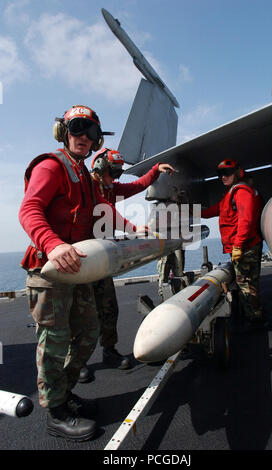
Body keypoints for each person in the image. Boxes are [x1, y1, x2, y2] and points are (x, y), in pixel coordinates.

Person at [18, 105, 140, 441]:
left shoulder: (85, 175)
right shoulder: (51, 166)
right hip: (51, 271)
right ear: (64, 131)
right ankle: (55, 413)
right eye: (77, 128)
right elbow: (29, 209)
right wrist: (54, 244)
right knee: (54, 342)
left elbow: (104, 212)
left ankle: (64, 393)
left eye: (91, 132)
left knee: (88, 332)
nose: (84, 137)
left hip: (79, 270)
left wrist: (135, 230)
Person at [78, 148, 176, 380]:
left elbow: (137, 186)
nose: (116, 178)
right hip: (82, 257)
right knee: (81, 314)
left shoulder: (111, 187)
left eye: (118, 173)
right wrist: (132, 228)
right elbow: (105, 207)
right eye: (113, 172)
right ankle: (78, 362)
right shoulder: (86, 185)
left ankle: (109, 351)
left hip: (101, 258)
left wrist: (155, 170)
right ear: (100, 167)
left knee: (109, 308)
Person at [201, 158, 265, 329]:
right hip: (242, 247)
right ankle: (253, 315)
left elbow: (246, 220)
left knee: (246, 284)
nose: (223, 176)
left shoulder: (241, 192)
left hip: (245, 248)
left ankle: (255, 320)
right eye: (221, 174)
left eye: (227, 173)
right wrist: (189, 211)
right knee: (247, 283)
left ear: (237, 173)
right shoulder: (230, 194)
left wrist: (238, 245)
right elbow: (212, 211)